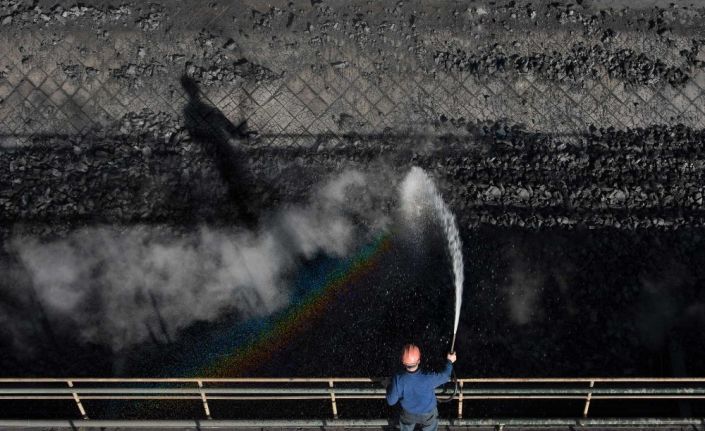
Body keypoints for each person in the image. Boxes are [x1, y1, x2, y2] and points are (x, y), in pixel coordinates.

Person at [386, 344, 457, 431]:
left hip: (408, 414)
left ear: (403, 361)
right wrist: (449, 361)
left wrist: (389, 386)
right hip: (428, 414)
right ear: (418, 361)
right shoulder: (428, 377)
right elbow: (445, 376)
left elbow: (391, 401)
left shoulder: (398, 379)